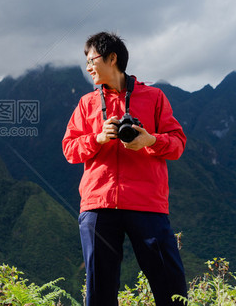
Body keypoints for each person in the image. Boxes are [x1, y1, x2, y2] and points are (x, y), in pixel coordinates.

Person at [62, 32, 188, 305]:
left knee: (171, 285)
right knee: (99, 290)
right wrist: (97, 138)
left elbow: (177, 143)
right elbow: (69, 149)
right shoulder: (87, 103)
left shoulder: (154, 97)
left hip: (147, 204)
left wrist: (150, 140)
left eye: (91, 59)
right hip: (99, 205)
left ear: (112, 57)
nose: (88, 67)